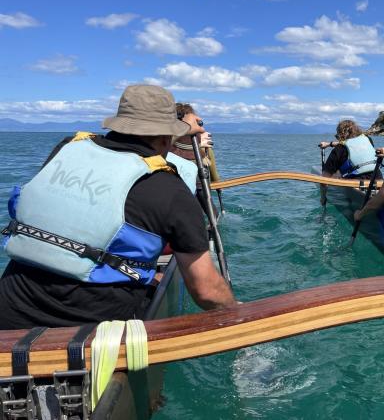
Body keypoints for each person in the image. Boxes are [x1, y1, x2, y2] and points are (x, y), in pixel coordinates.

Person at [0, 84, 237, 330]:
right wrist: (235, 311)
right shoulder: (169, 189)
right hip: (87, 336)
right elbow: (207, 291)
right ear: (168, 138)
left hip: (7, 314)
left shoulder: (67, 148)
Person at [318, 119, 381, 205]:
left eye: (337, 136)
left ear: (341, 135)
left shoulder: (338, 150)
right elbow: (352, 143)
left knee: (335, 174)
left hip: (356, 185)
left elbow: (324, 181)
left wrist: (323, 198)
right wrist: (329, 144)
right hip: (378, 180)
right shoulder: (368, 139)